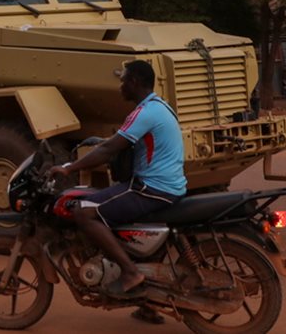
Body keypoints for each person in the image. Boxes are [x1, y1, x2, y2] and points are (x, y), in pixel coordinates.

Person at [50, 60, 186, 299]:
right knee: (102, 202)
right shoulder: (159, 106)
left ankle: (130, 273)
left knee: (84, 212)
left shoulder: (145, 113)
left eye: (123, 81)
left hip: (151, 188)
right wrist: (100, 143)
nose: (120, 86)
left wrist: (69, 169)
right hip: (165, 185)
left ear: (134, 82)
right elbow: (118, 142)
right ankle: (147, 302)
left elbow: (109, 150)